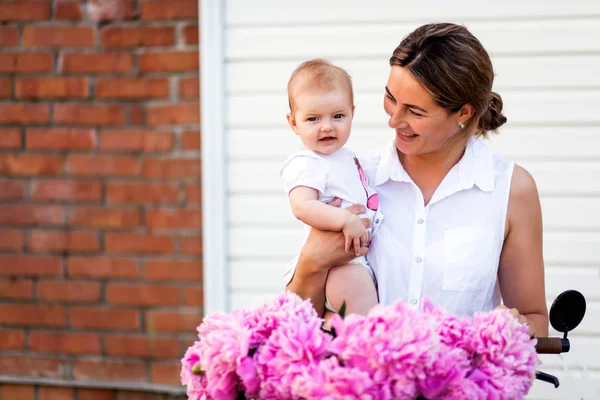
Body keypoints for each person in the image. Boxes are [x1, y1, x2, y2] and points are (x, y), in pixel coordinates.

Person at [285, 23, 549, 337]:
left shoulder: (511, 189)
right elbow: (292, 331)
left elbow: (536, 321)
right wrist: (312, 263)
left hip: (456, 385)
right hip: (362, 384)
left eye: (415, 111)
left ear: (463, 113)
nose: (394, 120)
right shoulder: (356, 178)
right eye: (390, 98)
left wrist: (513, 328)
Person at [280, 59, 382, 316]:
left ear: (352, 114)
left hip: (355, 260)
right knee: (368, 327)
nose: (327, 126)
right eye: (313, 118)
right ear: (293, 123)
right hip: (341, 268)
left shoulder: (345, 156)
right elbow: (302, 206)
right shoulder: (306, 162)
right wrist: (345, 220)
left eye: (338, 116)